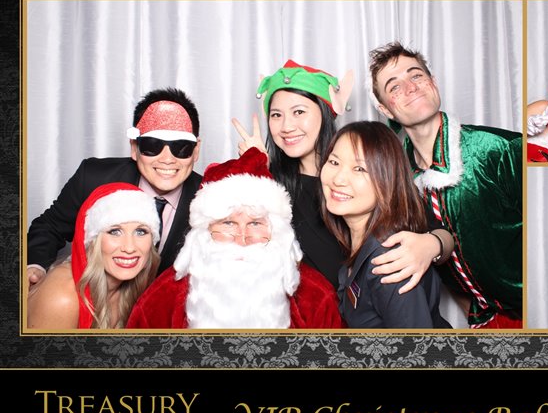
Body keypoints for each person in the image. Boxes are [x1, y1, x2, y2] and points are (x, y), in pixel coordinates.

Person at [232, 60, 453, 292]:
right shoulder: (271, 183)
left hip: (381, 307)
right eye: (276, 115)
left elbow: (442, 234)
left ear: (325, 113)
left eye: (299, 112)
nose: (286, 126)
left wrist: (431, 245)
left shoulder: (369, 168)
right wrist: (255, 170)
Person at [368, 41, 522, 328]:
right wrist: (474, 316)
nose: (411, 87)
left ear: (433, 82)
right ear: (385, 109)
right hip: (486, 323)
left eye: (416, 75)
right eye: (394, 86)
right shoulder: (398, 181)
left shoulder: (500, 149)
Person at [127, 148, 343, 329]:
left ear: (277, 230)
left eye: (255, 224)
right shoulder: (163, 297)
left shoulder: (317, 296)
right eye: (228, 223)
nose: (242, 239)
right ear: (205, 229)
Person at [27, 88, 203, 288]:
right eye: (152, 145)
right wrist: (35, 267)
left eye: (181, 147)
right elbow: (50, 227)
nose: (167, 159)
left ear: (196, 150)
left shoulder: (210, 197)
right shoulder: (93, 178)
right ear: (134, 148)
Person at [320, 121, 451, 328]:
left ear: (387, 179)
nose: (338, 179)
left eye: (359, 168)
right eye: (334, 162)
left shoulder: (390, 262)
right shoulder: (361, 241)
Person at [27, 183, 161, 329]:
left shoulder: (141, 286)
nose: (129, 248)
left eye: (141, 232)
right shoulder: (62, 298)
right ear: (92, 241)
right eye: (114, 231)